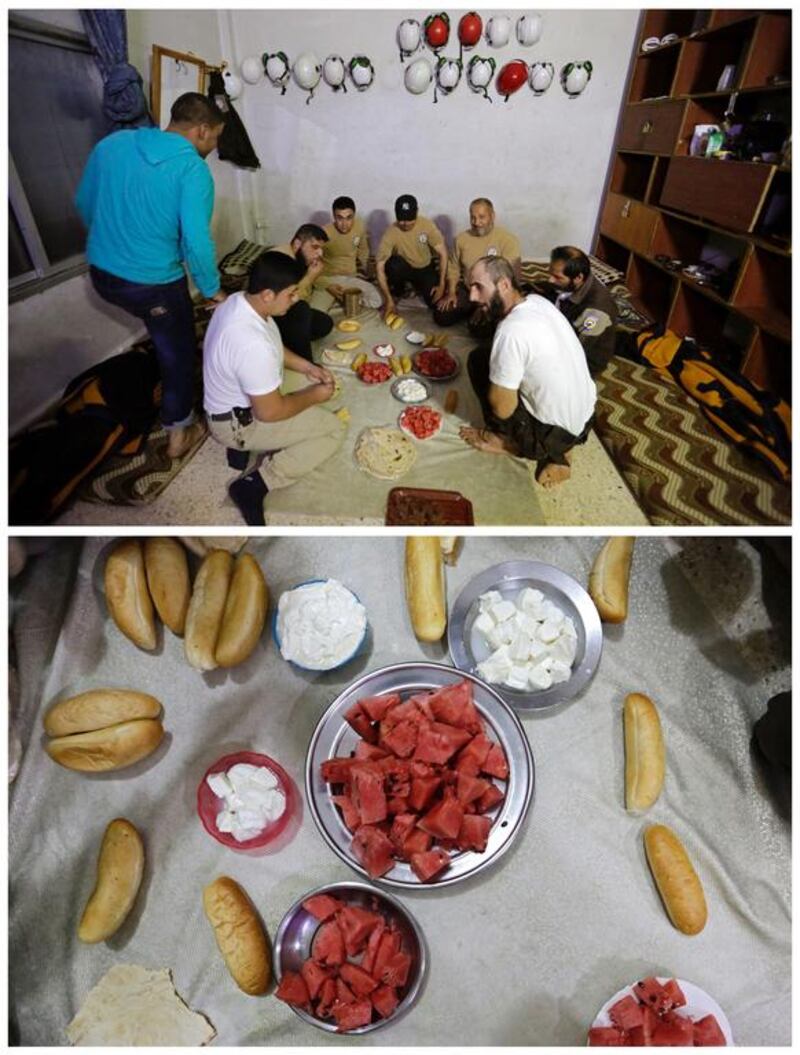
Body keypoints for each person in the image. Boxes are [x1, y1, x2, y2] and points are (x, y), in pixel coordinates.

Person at [75, 92, 227, 459]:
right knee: (177, 351)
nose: (212, 148)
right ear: (202, 129)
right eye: (215, 139)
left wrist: (114, 244)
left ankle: (152, 359)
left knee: (160, 329)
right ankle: (178, 433)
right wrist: (212, 290)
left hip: (101, 276)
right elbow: (196, 240)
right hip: (151, 284)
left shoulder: (113, 144)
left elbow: (83, 203)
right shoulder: (192, 169)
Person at [203, 251, 345, 525]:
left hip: (232, 405)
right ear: (268, 294)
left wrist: (307, 367)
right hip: (238, 424)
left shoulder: (239, 301)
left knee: (310, 382)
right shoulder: (251, 344)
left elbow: (273, 345)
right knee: (332, 428)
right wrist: (313, 396)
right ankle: (255, 484)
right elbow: (270, 412)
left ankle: (243, 450)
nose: (296, 298)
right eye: (291, 293)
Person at [459, 256, 596, 488]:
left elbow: (503, 409)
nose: (472, 296)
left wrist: (500, 386)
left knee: (478, 363)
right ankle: (563, 449)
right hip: (585, 419)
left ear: (503, 284)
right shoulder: (537, 301)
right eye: (470, 287)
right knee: (488, 355)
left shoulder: (511, 331)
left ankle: (506, 442)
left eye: (478, 287)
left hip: (549, 434)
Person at [434, 198, 522, 330]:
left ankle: (479, 314)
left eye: (482, 217)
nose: (476, 222)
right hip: (468, 289)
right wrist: (451, 292)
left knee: (480, 329)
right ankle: (470, 310)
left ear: (492, 216)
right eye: (473, 218)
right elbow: (453, 268)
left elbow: (510, 279)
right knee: (441, 316)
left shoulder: (508, 240)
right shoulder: (461, 239)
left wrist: (484, 306)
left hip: (493, 294)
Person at [548, 246, 618, 375]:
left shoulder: (597, 312)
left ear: (578, 278)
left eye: (557, 277)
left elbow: (577, 349)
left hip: (582, 362)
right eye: (550, 273)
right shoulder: (574, 283)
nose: (550, 280)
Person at [375, 194, 448, 318]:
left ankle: (417, 288)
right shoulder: (390, 232)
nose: (405, 223)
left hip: (425, 268)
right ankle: (400, 291)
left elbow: (443, 253)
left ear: (417, 212)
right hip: (405, 268)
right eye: (401, 219)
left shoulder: (427, 225)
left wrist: (441, 285)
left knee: (433, 303)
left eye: (409, 219)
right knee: (393, 264)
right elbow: (379, 267)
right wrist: (388, 299)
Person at [272, 224, 334, 361]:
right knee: (301, 309)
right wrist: (310, 277)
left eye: (321, 248)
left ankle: (287, 342)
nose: (320, 253)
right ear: (297, 243)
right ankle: (305, 362)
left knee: (325, 323)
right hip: (269, 317)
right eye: (315, 247)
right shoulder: (280, 260)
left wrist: (326, 284)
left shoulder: (300, 256)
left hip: (284, 312)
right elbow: (287, 301)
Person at [317, 195, 382, 308]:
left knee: (377, 300)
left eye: (349, 218)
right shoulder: (324, 233)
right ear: (334, 217)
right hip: (329, 279)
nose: (344, 223)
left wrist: (365, 271)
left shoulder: (360, 227)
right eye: (340, 218)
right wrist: (326, 285)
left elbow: (363, 251)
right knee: (317, 309)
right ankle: (340, 300)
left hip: (350, 278)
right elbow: (310, 266)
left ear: (354, 216)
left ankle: (346, 300)